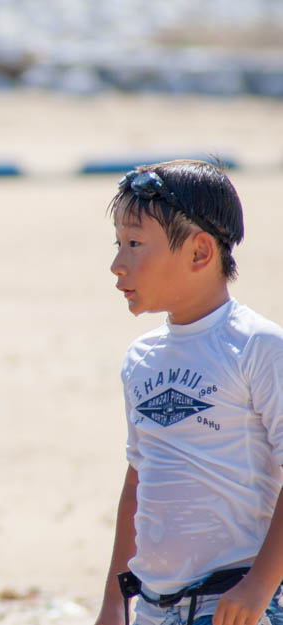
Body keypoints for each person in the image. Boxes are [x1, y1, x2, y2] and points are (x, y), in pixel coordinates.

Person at [95, 160, 283, 625]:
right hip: (153, 608)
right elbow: (138, 483)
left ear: (200, 252)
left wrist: (259, 587)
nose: (118, 263)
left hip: (234, 602)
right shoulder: (140, 359)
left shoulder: (257, 347)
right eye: (119, 243)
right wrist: (115, 603)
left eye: (136, 243)